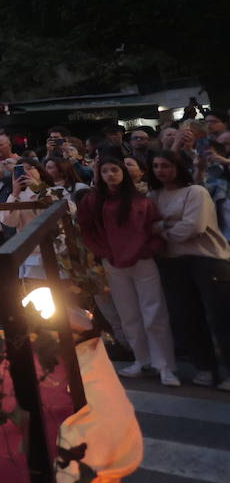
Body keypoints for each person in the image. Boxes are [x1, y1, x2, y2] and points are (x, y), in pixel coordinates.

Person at [76, 158, 178, 387]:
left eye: (114, 169)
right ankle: (141, 360)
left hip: (142, 261)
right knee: (128, 314)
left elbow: (154, 228)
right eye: (105, 170)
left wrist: (147, 250)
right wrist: (104, 253)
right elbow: (87, 231)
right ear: (99, 174)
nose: (110, 174)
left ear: (123, 172)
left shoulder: (142, 200)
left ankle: (164, 365)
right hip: (113, 262)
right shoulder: (93, 201)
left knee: (154, 313)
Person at [148, 150, 230, 390]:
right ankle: (205, 367)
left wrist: (163, 230)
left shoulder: (196, 192)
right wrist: (172, 226)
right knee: (187, 317)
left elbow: (193, 227)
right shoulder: (153, 196)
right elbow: (147, 226)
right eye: (156, 166)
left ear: (178, 167)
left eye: (166, 165)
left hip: (208, 259)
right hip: (173, 261)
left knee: (221, 317)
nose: (160, 170)